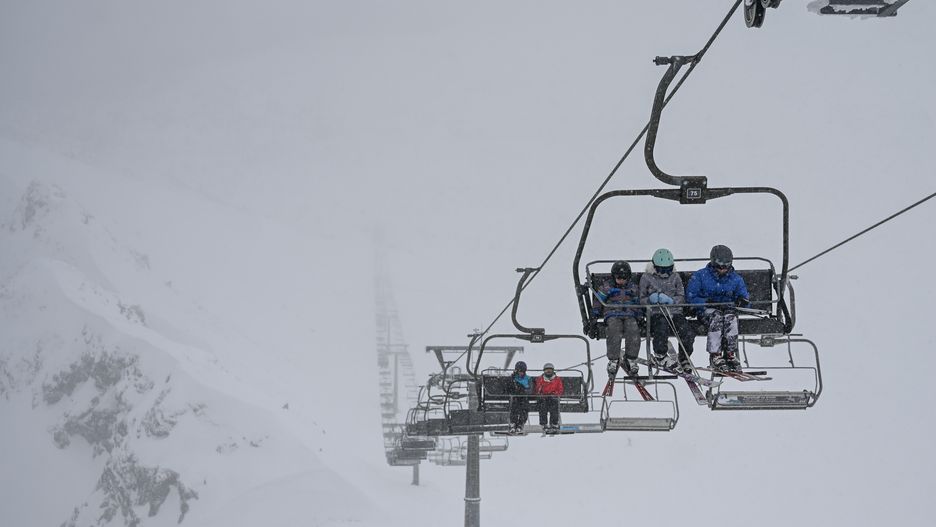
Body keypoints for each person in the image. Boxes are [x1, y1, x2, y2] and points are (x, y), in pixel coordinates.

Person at [686, 245, 751, 372]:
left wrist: (741, 302)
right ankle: (715, 355)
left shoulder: (735, 279)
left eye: (726, 266)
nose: (722, 270)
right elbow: (691, 297)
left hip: (727, 311)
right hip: (707, 312)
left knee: (730, 318)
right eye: (719, 266)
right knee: (716, 317)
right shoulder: (701, 276)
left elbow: (745, 298)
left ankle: (730, 353)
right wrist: (706, 302)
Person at [639, 248, 695, 372]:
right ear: (654, 267)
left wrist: (671, 301)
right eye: (661, 270)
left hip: (674, 312)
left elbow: (681, 297)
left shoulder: (675, 277)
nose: (664, 274)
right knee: (661, 327)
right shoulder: (646, 278)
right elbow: (641, 299)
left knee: (687, 332)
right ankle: (660, 355)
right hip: (656, 313)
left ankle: (684, 357)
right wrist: (651, 299)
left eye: (667, 270)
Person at [594, 261, 642, 377]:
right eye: (618, 277)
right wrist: (595, 314)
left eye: (624, 277)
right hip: (613, 314)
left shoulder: (633, 288)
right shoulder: (607, 287)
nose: (621, 280)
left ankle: (631, 358)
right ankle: (613, 359)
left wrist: (640, 314)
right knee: (614, 330)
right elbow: (598, 299)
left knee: (633, 330)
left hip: (630, 314)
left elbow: (639, 302)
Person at [533, 362, 564, 432]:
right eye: (547, 370)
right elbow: (538, 389)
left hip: (553, 397)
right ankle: (544, 424)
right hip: (544, 398)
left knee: (554, 407)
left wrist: (554, 394)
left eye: (550, 370)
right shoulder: (540, 379)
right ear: (544, 371)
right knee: (542, 407)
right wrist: (541, 394)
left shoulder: (557, 379)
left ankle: (554, 423)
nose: (548, 372)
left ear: (553, 371)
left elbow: (560, 389)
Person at [507, 361, 533, 434]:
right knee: (514, 406)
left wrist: (523, 391)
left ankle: (521, 424)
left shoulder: (528, 378)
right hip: (515, 397)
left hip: (524, 397)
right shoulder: (513, 378)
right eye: (519, 371)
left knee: (524, 408)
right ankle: (513, 423)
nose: (520, 373)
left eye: (522, 371)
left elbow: (530, 390)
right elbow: (509, 388)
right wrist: (512, 379)